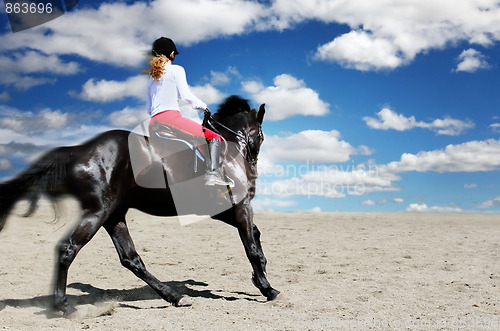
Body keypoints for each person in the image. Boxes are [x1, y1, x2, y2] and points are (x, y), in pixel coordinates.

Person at [146, 37, 232, 187]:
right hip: (171, 119)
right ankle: (212, 174)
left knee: (195, 141)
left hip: (153, 123)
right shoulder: (177, 70)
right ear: (172, 54)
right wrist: (204, 106)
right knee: (214, 137)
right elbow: (186, 96)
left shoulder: (151, 79)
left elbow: (149, 109)